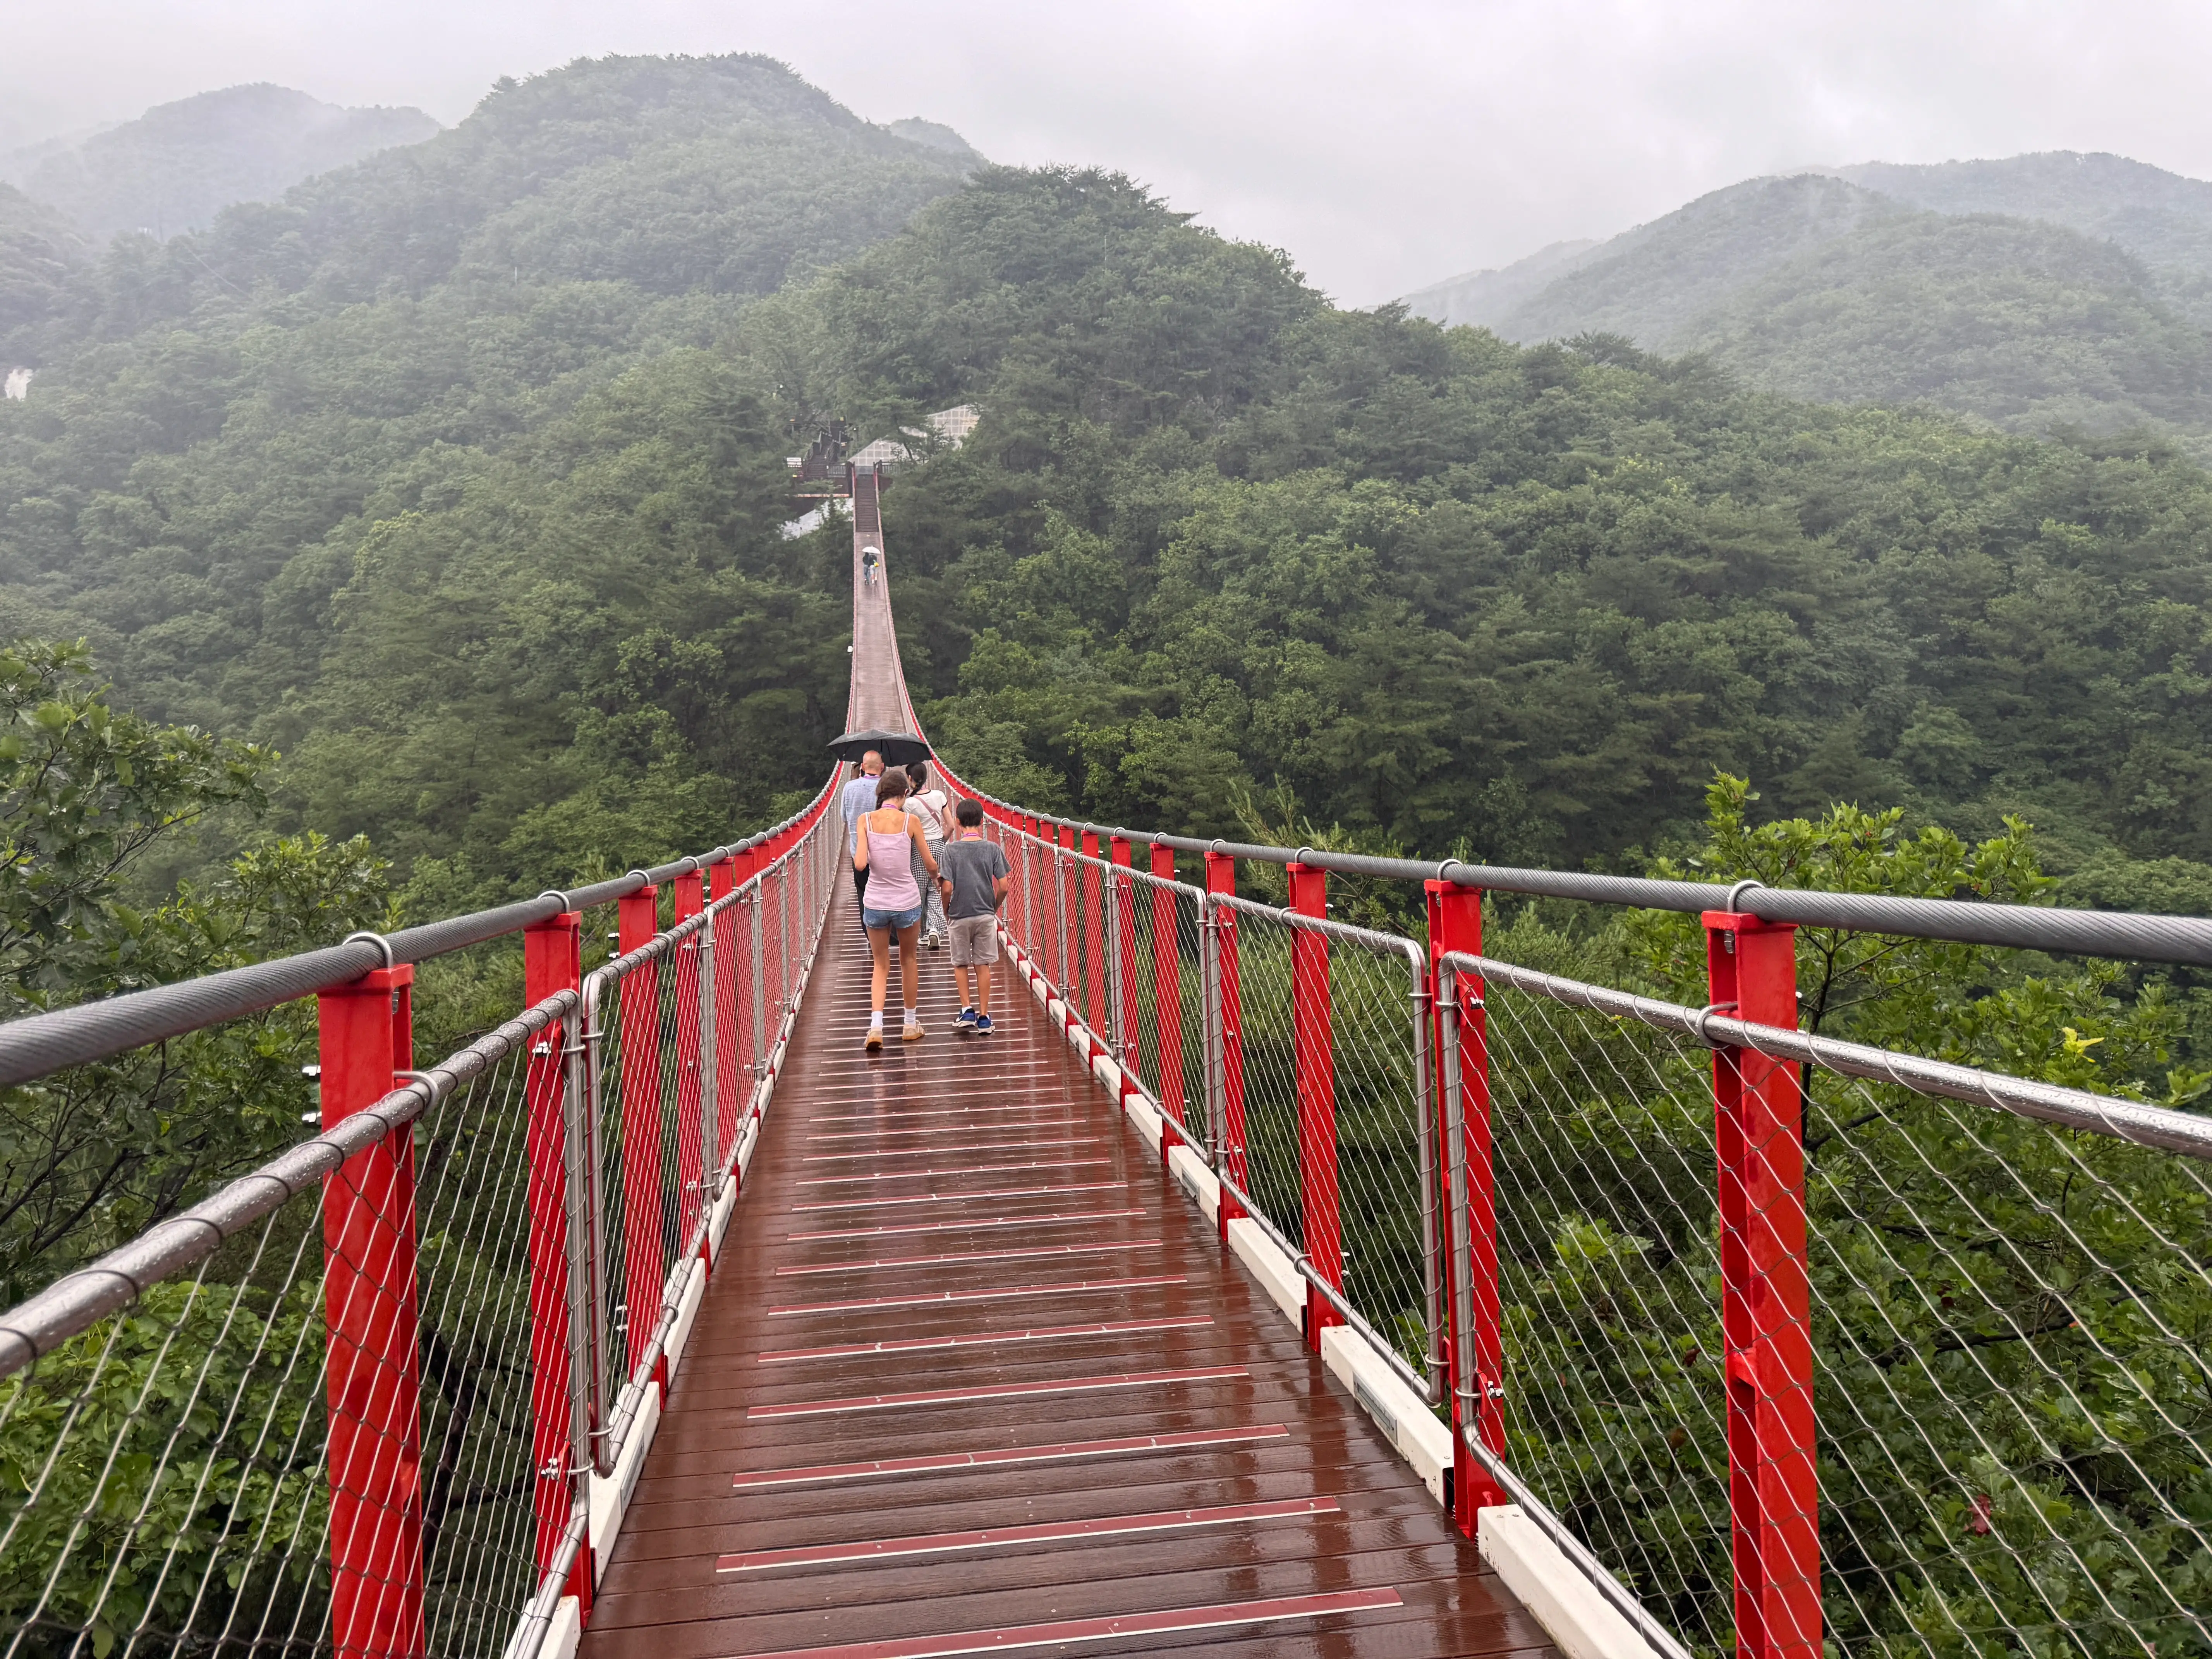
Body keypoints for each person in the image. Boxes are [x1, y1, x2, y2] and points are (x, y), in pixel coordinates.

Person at [854, 767, 940, 1049]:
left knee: (881, 965)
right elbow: (929, 864)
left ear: (880, 793)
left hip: (876, 902)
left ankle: (876, 1028)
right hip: (906, 901)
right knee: (909, 961)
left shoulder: (865, 820)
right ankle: (910, 1024)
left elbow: (860, 865)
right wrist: (939, 880)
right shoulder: (911, 821)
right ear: (906, 793)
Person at [936, 797, 1012, 1034]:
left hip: (959, 914)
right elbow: (1005, 886)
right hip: (984, 914)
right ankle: (984, 1017)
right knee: (983, 964)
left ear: (957, 822)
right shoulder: (992, 849)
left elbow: (947, 887)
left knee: (960, 963)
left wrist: (947, 910)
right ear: (982, 822)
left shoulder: (951, 850)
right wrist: (994, 907)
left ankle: (967, 1009)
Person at [907, 760, 951, 948]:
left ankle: (920, 934)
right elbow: (950, 826)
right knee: (936, 889)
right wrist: (941, 841)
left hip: (919, 848)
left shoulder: (908, 803)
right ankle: (935, 929)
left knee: (919, 891)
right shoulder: (940, 795)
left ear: (910, 779)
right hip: (939, 845)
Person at [839, 750, 883, 928]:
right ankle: (889, 934)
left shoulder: (849, 788)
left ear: (863, 767)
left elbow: (844, 817)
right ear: (882, 767)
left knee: (864, 893)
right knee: (886, 891)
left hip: (858, 853)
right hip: (884, 852)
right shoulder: (886, 788)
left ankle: (871, 935)